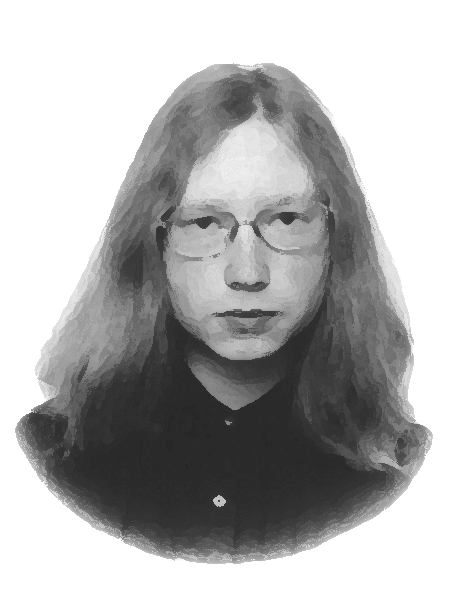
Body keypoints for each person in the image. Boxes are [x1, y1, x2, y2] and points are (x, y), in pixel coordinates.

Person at [16, 63, 432, 564]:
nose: (247, 272)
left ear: (337, 239)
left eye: (287, 219)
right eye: (204, 223)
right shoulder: (58, 456)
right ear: (151, 242)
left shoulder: (395, 471)